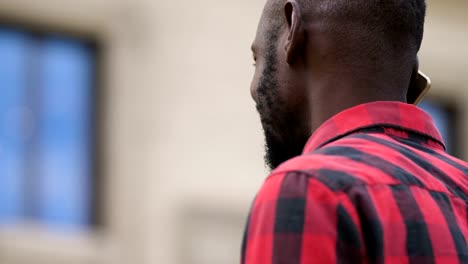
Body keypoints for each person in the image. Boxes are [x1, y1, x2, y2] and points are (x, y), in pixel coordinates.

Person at [241, 0, 468, 263]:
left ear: (293, 31)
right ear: (414, 74)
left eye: (257, 60)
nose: (253, 88)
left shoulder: (308, 189)